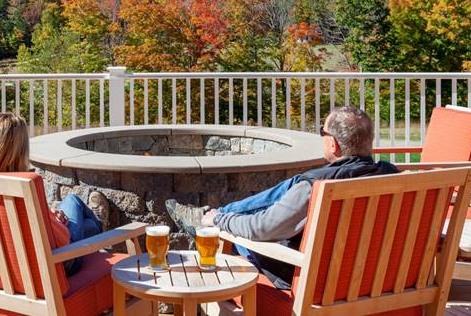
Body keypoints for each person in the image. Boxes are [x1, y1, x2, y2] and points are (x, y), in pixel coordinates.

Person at [166, 106, 398, 289]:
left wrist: (218, 221)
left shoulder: (315, 187)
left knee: (235, 238)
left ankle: (207, 222)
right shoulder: (394, 178)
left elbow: (261, 229)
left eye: (322, 132)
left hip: (317, 285)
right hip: (382, 283)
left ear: (333, 144)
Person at [0, 112, 102, 276]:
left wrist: (50, 216)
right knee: (74, 202)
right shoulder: (24, 187)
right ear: (20, 152)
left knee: (77, 212)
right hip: (61, 264)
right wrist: (56, 222)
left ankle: (95, 226)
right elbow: (63, 239)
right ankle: (100, 228)